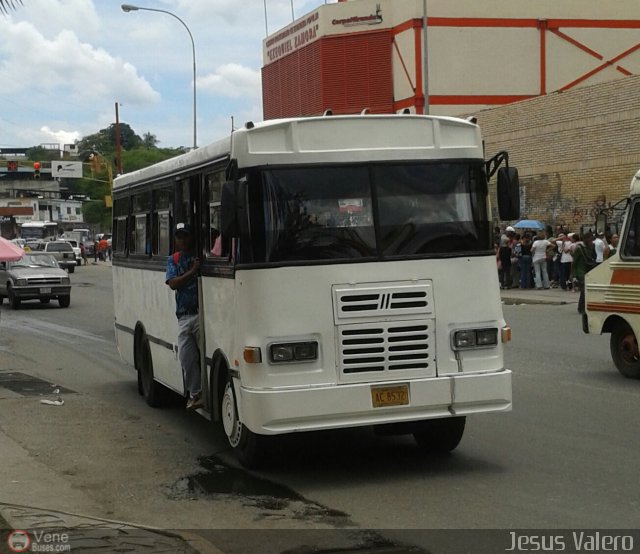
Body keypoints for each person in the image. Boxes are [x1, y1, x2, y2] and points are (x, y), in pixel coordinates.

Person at [165, 223, 202, 410]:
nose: (182, 240)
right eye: (179, 237)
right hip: (184, 317)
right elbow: (173, 283)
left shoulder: (200, 254)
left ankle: (200, 394)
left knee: (202, 357)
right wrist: (192, 271)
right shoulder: (174, 259)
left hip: (201, 314)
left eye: (185, 236)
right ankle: (195, 393)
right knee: (187, 358)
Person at [572, 232, 596, 314]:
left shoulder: (592, 246)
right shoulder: (579, 248)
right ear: (585, 239)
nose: (591, 241)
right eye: (589, 239)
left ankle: (586, 306)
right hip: (580, 271)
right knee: (583, 290)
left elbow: (594, 257)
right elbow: (574, 262)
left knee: (588, 290)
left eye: (592, 239)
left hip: (589, 270)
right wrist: (572, 274)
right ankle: (581, 308)